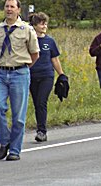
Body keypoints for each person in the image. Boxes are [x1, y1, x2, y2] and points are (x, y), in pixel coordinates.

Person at [0, 0, 39, 161]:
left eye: (12, 7)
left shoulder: (27, 30)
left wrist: (23, 69)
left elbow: (35, 54)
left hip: (20, 73)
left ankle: (15, 150)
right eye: (6, 6)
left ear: (18, 10)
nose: (9, 9)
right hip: (1, 73)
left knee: (18, 115)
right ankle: (5, 141)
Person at [28, 12, 65, 142]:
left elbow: (54, 59)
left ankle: (42, 131)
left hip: (46, 75)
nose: (44, 26)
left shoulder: (50, 41)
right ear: (34, 25)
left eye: (45, 23)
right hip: (32, 75)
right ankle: (40, 127)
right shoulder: (29, 40)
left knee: (42, 101)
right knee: (36, 103)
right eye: (41, 23)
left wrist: (61, 74)